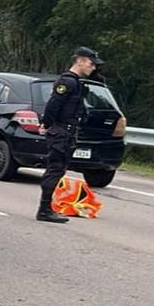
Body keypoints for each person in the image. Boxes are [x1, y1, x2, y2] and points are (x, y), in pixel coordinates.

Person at [36, 46, 102, 223]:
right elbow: (53, 105)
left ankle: (46, 208)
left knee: (58, 170)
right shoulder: (68, 82)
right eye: (90, 63)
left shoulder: (77, 82)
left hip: (68, 132)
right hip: (61, 132)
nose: (93, 67)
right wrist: (47, 124)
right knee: (55, 169)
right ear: (79, 61)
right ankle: (44, 209)